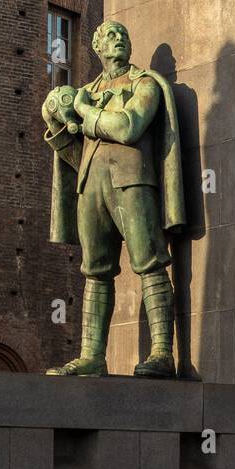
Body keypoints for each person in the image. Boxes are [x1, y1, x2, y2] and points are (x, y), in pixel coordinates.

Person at [42, 19, 185, 378]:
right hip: (91, 186)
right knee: (95, 272)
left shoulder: (146, 84)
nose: (119, 39)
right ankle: (91, 356)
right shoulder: (86, 89)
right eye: (110, 35)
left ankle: (162, 353)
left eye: (124, 33)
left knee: (150, 264)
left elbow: (127, 127)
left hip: (133, 181)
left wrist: (85, 112)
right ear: (97, 46)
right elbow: (77, 153)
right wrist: (55, 120)